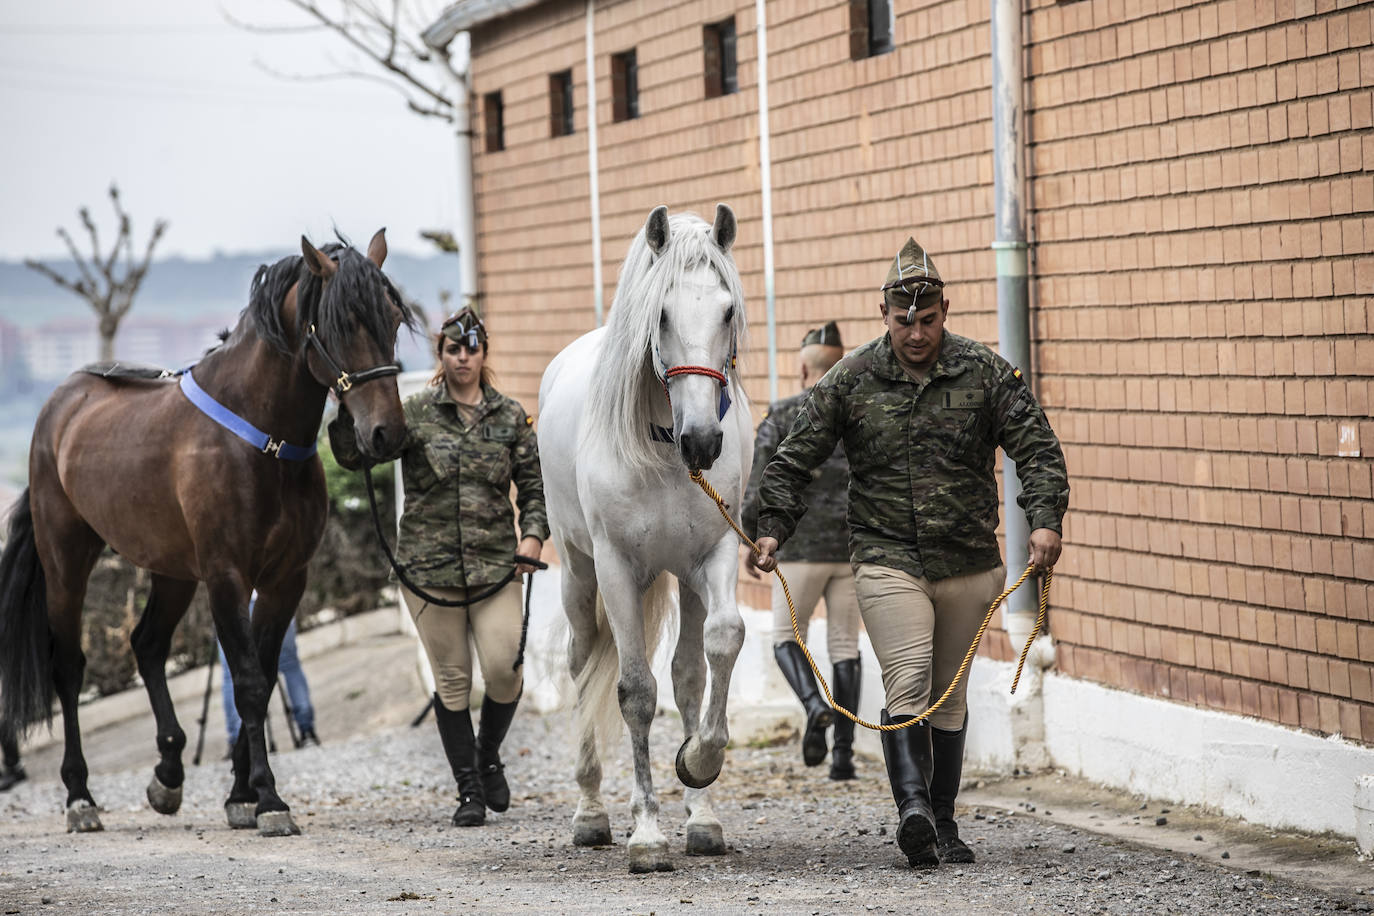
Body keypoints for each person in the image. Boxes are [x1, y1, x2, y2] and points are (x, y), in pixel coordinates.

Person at [749, 238, 1068, 868]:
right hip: (885, 555)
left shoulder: (984, 373)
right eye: (903, 322)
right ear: (884, 314)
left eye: (927, 321)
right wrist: (772, 528)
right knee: (909, 679)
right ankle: (913, 810)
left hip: (968, 561)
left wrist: (1046, 519)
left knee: (948, 696)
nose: (915, 334)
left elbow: (1036, 448)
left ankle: (944, 824)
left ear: (945, 310)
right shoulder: (852, 377)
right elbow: (796, 456)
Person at [330, 305, 547, 829]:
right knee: (453, 681)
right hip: (427, 570)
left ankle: (488, 753)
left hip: (496, 565)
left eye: (472, 348)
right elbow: (361, 456)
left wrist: (534, 537)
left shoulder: (511, 416)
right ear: (441, 355)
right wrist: (344, 409)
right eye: (454, 349)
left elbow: (536, 488)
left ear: (484, 353)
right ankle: (468, 790)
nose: (463, 357)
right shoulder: (415, 412)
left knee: (504, 670)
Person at [740, 321, 862, 780]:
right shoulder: (858, 410)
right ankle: (844, 757)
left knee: (787, 638)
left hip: (798, 549)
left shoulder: (784, 412)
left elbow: (762, 481)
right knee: (845, 647)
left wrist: (750, 538)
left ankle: (814, 707)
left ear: (801, 369)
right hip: (850, 548)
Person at [219, 591, 319, 757]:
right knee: (289, 665)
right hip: (276, 596)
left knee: (233, 673)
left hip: (234, 602)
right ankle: (307, 731)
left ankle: (239, 741)